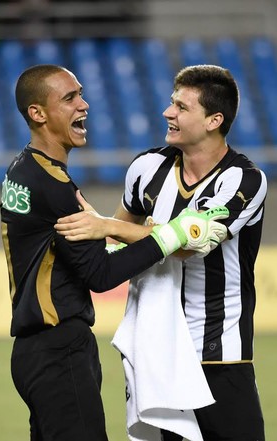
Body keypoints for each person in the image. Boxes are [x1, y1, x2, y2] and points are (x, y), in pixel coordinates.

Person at [0, 64, 229, 441]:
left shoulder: (22, 169)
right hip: (60, 351)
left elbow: (80, 253)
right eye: (70, 98)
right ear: (37, 114)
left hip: (31, 353)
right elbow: (100, 275)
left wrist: (122, 230)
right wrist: (168, 237)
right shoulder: (53, 186)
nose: (84, 104)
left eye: (81, 94)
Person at [55, 64, 267, 441]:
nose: (168, 113)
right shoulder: (147, 167)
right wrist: (101, 233)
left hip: (219, 350)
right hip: (156, 348)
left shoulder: (244, 179)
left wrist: (109, 225)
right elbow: (118, 241)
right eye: (172, 103)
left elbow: (192, 245)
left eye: (182, 108)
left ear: (214, 120)